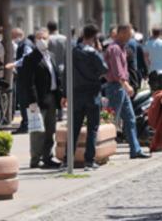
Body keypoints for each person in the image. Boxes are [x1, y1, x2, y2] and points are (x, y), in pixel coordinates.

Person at [61, 24, 108, 171]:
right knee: (92, 128)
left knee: (74, 128)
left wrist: (64, 94)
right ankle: (89, 161)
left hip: (76, 94)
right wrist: (99, 51)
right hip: (92, 94)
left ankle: (67, 160)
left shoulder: (73, 52)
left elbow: (65, 73)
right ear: (94, 37)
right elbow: (104, 69)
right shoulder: (93, 53)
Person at [103, 25, 149, 160]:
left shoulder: (122, 47)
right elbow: (117, 71)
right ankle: (97, 150)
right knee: (109, 119)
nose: (131, 37)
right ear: (122, 33)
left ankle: (135, 150)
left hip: (120, 87)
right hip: (116, 87)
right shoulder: (115, 49)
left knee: (130, 119)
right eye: (129, 34)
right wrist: (126, 85)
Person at [22, 28, 63, 169]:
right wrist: (33, 102)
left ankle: (47, 157)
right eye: (39, 38)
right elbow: (29, 82)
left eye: (44, 38)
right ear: (34, 41)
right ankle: (35, 159)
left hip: (52, 97)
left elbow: (56, 77)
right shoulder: (30, 58)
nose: (42, 40)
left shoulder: (51, 55)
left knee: (50, 130)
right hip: (39, 100)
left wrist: (61, 95)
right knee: (38, 131)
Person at [12, 28, 34, 134]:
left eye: (13, 36)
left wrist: (14, 64)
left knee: (24, 101)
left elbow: (27, 58)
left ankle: (26, 124)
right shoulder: (25, 43)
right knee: (25, 102)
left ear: (18, 35)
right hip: (25, 77)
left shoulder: (26, 44)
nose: (12, 39)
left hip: (26, 78)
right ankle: (27, 123)